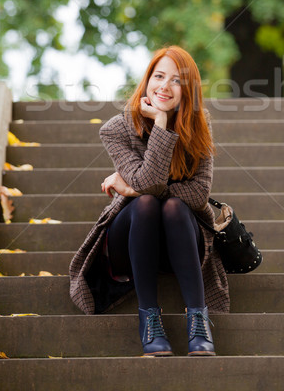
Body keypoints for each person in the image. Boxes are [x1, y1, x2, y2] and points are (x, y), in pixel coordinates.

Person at [69, 45, 230, 357]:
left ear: (188, 91)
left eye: (176, 81)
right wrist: (159, 123)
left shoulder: (198, 124)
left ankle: (198, 321)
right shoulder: (117, 129)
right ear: (146, 80)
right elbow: (149, 184)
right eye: (158, 76)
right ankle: (150, 321)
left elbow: (198, 196)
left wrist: (132, 189)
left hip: (182, 238)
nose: (164, 86)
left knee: (172, 206)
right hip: (128, 241)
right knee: (145, 205)